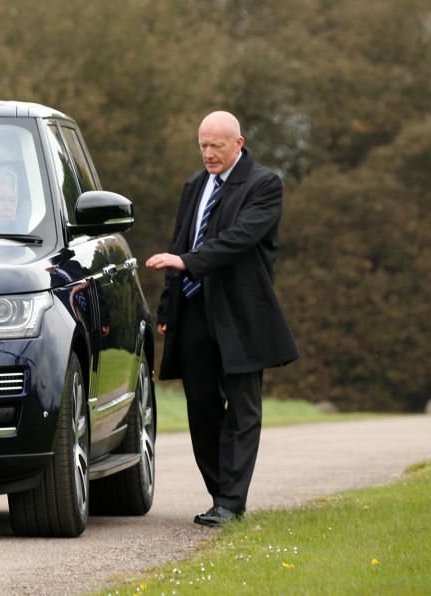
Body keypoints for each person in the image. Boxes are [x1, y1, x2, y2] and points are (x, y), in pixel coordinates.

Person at [145, 111, 298, 527]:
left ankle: (231, 501)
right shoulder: (194, 185)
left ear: (239, 143)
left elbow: (238, 240)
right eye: (203, 145)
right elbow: (181, 243)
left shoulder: (265, 185)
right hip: (194, 311)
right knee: (201, 406)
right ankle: (220, 494)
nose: (208, 154)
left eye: (217, 146)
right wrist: (167, 309)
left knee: (243, 408)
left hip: (242, 315)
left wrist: (187, 261)